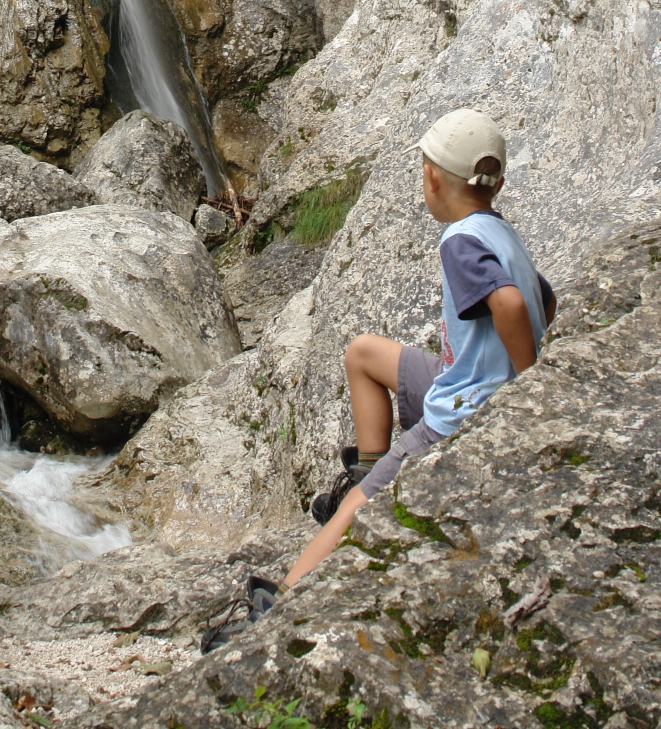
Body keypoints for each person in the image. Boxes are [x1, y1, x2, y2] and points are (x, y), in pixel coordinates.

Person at [201, 108, 557, 652]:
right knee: (363, 354)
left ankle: (280, 606)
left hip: (460, 412)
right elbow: (542, 300)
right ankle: (369, 467)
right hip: (455, 376)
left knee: (351, 512)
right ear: (497, 184)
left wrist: (526, 386)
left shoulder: (459, 242)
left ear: (432, 177)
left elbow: (509, 303)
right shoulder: (497, 230)